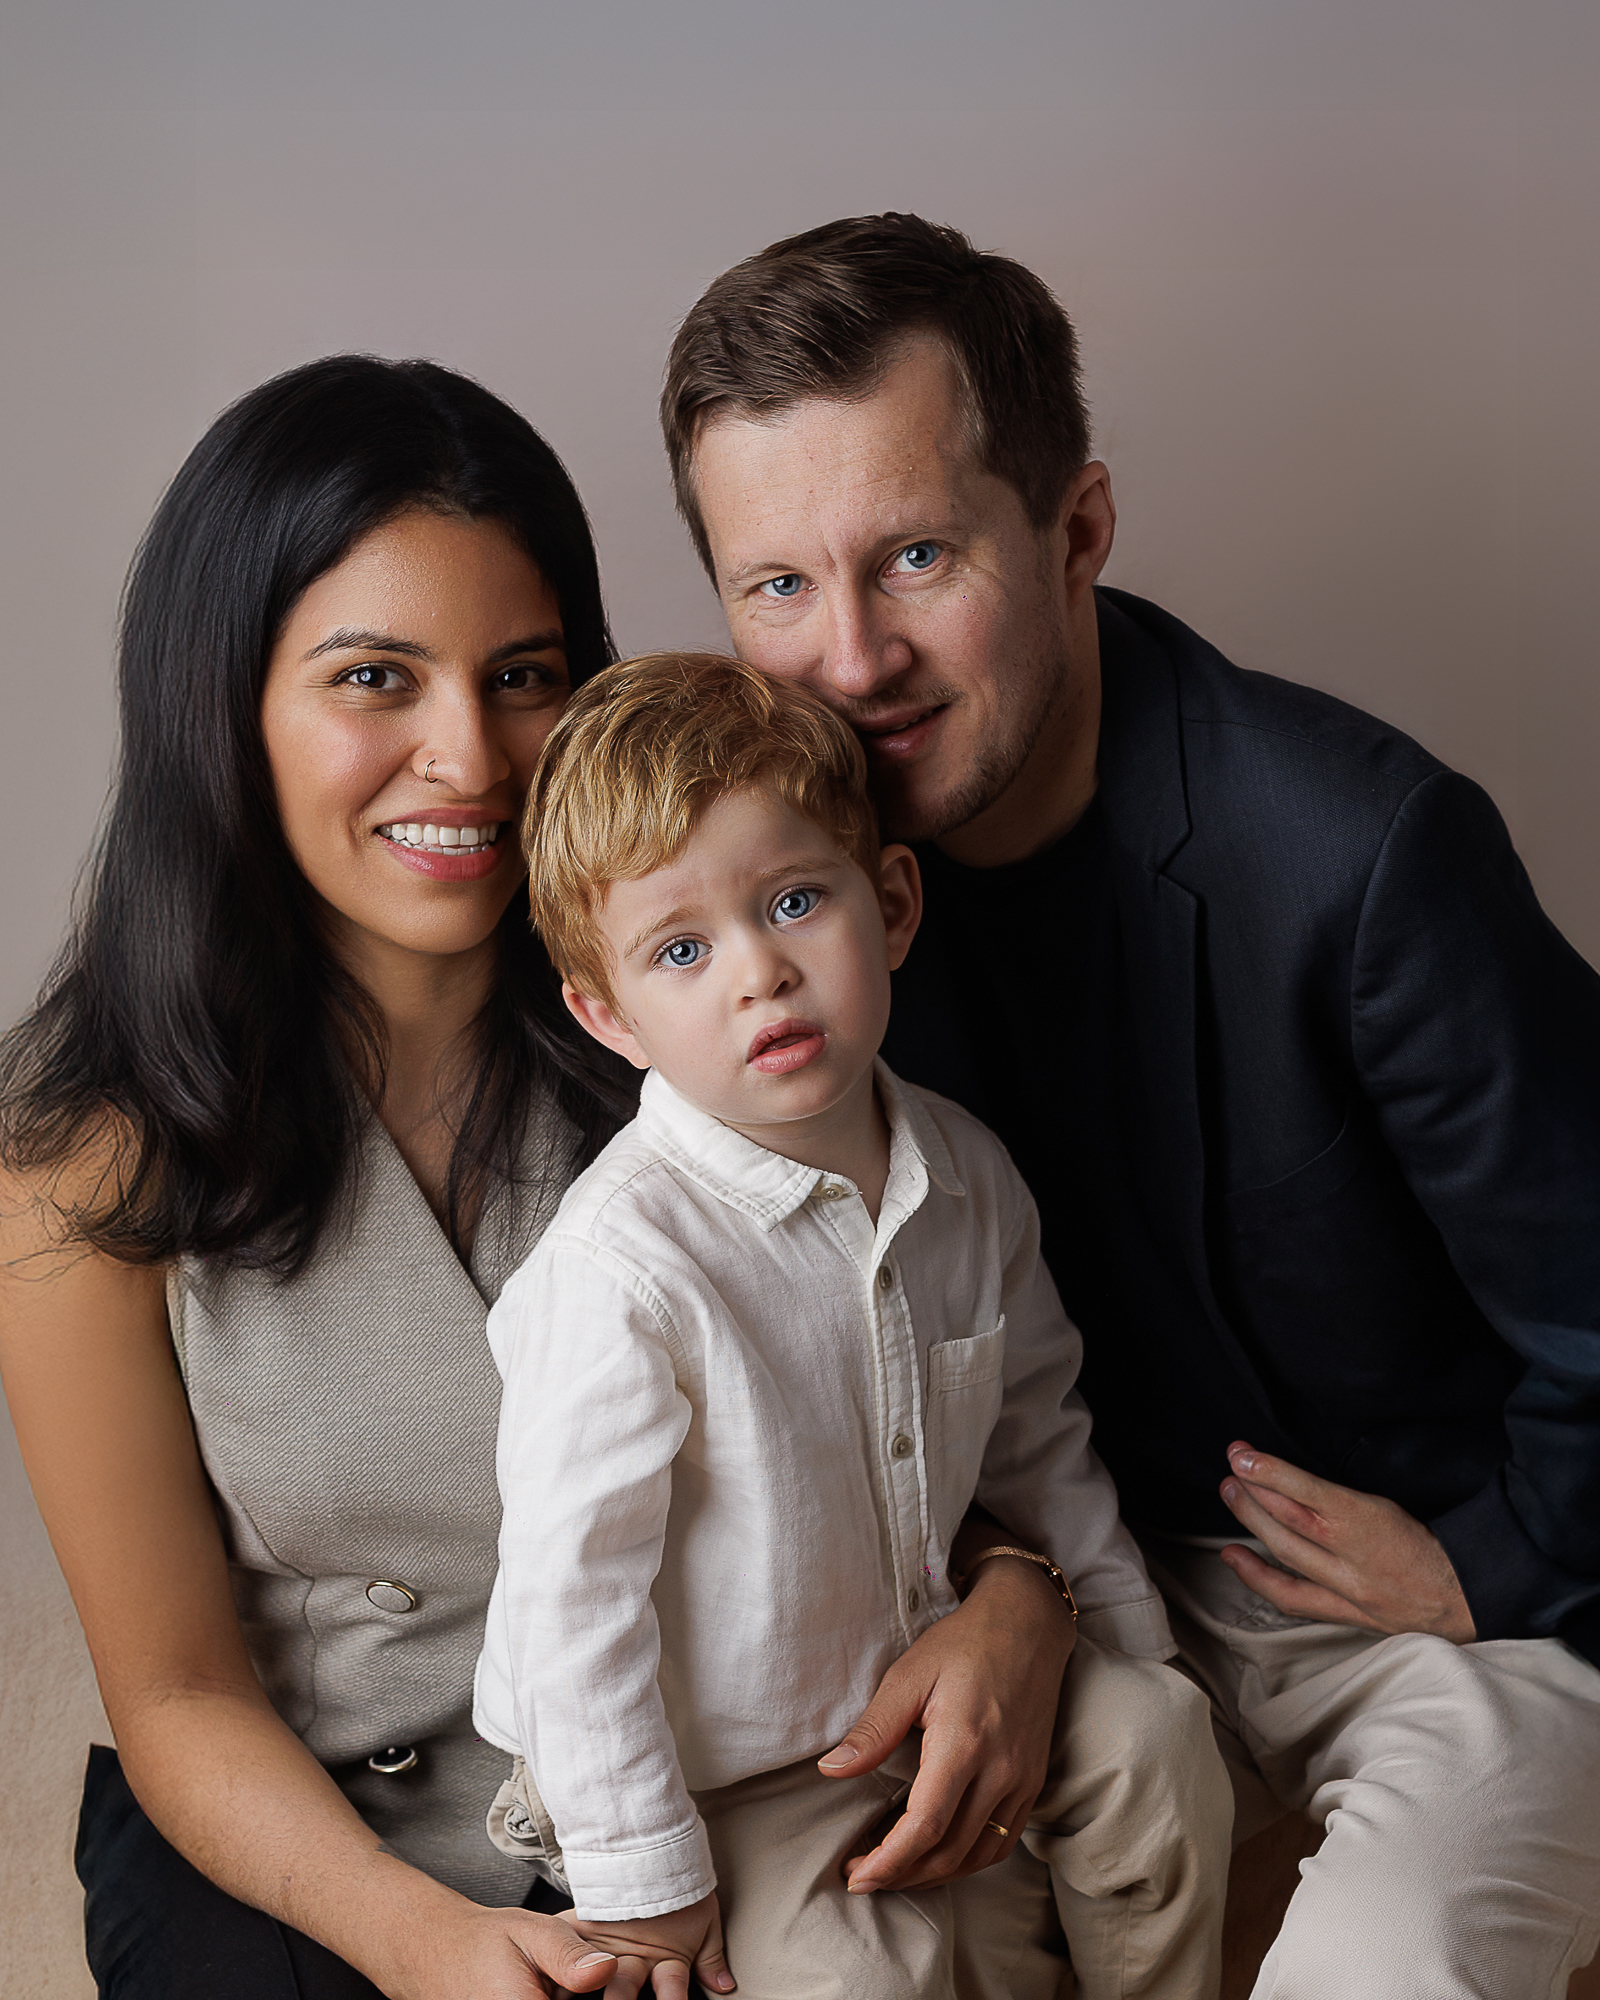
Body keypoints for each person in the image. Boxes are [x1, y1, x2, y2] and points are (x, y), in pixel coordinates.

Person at [0, 355, 1077, 1999]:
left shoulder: (720, 1032)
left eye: (522, 676)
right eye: (375, 678)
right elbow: (177, 1694)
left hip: (707, 1815)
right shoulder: (80, 1164)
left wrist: (1019, 1592)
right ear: (224, 706)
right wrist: (425, 1942)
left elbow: (902, 1414)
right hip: (319, 1846)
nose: (471, 756)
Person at [659, 213, 1600, 1998]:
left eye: (916, 557)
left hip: (1424, 1607)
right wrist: (1014, 1583)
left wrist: (1497, 1560)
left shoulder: (1361, 854)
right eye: (777, 586)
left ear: (1077, 528)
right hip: (1057, 1587)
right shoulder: (760, 914)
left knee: (1383, 1971)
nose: (850, 662)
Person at [473, 653, 1232, 2000]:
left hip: (932, 1679)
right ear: (608, 1014)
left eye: (794, 902)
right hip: (736, 1776)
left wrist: (1125, 1643)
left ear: (890, 907)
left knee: (1161, 1744)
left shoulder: (968, 1173)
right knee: (863, 1983)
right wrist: (649, 1886)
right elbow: (571, 1602)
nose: (760, 974)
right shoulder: (619, 1270)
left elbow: (1038, 1436)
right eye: (683, 951)